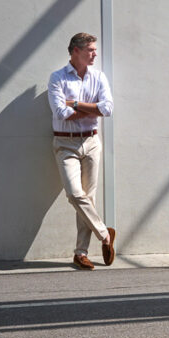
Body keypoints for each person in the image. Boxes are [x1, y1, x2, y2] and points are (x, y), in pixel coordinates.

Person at [48, 32, 116, 270]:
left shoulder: (98, 77)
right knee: (75, 194)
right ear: (75, 51)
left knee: (89, 196)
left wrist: (75, 104)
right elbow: (60, 113)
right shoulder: (57, 78)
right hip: (65, 143)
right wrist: (92, 109)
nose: (95, 53)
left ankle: (81, 253)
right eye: (90, 49)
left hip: (92, 142)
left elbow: (107, 108)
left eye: (94, 49)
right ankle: (104, 235)